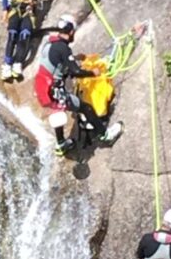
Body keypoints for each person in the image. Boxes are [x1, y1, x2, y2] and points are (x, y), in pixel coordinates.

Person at [34, 15, 123, 156]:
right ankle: (105, 135)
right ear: (70, 32)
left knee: (57, 111)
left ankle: (61, 144)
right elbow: (75, 72)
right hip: (55, 92)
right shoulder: (63, 48)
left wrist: (73, 60)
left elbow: (56, 64)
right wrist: (92, 72)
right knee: (86, 108)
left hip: (42, 89)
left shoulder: (49, 45)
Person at [0, 0, 70, 82]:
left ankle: (18, 62)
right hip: (16, 8)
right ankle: (7, 63)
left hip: (29, 8)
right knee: (12, 34)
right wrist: (5, 9)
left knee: (25, 34)